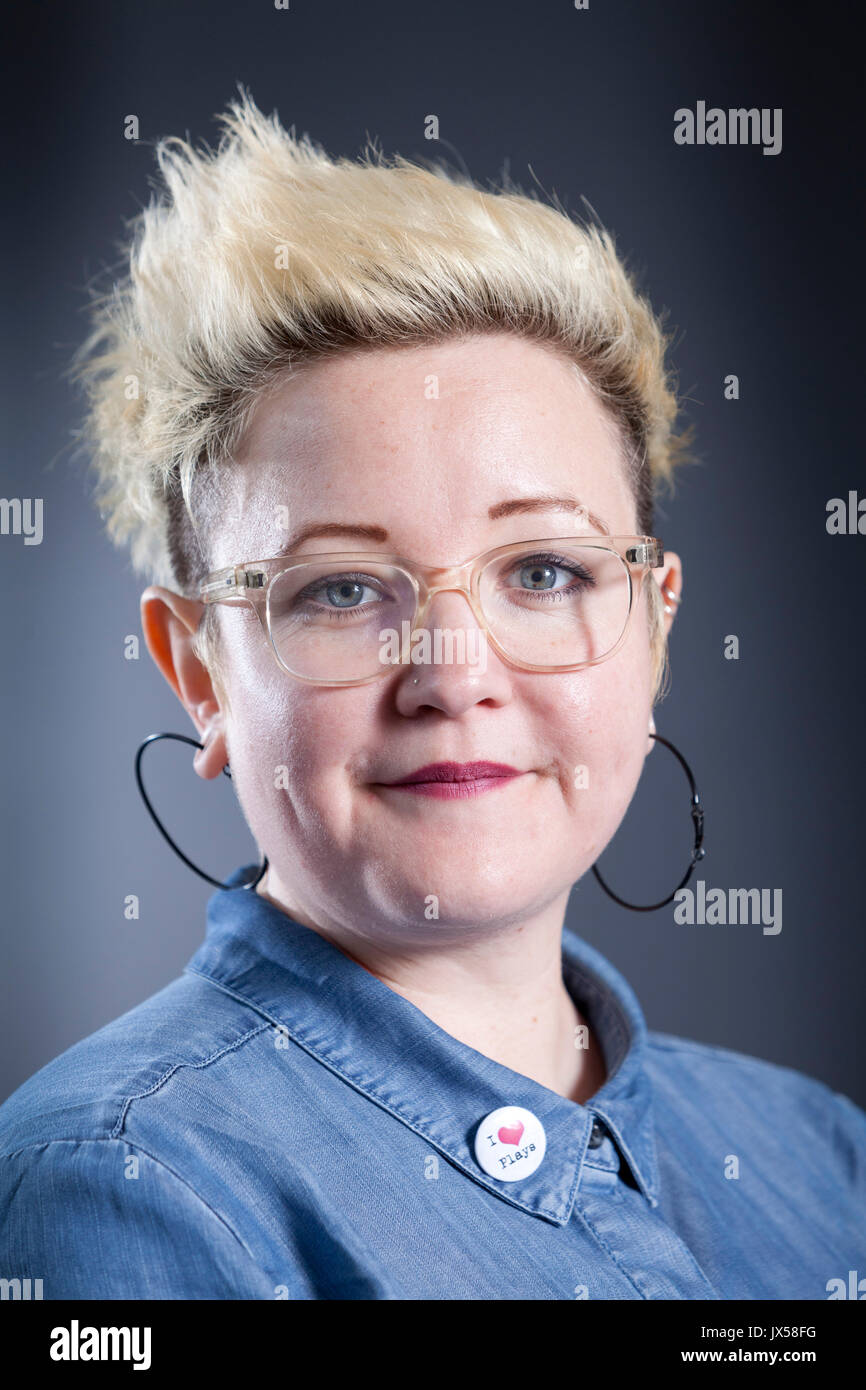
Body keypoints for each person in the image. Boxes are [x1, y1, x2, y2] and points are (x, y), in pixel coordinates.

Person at [1, 90, 863, 1301]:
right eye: (343, 588)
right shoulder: (117, 1185)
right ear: (200, 670)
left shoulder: (821, 1152)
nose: (453, 675)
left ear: (653, 625)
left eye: (544, 571)